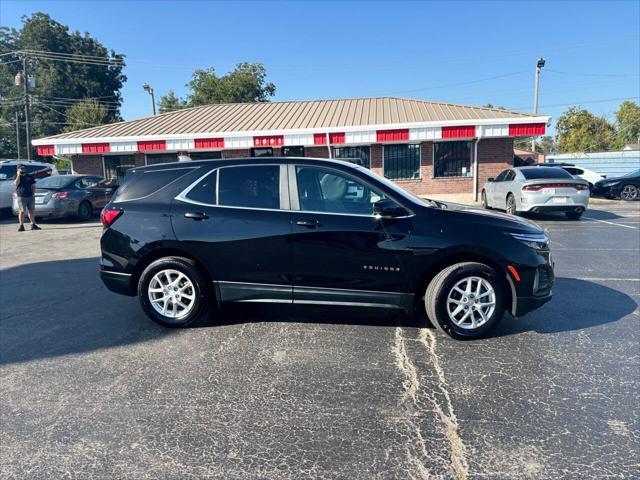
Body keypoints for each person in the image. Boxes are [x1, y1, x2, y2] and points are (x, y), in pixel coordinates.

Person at [13, 164, 41, 231]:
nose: (23, 169)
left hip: (30, 196)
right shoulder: (16, 176)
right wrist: (18, 175)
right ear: (18, 169)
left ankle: (33, 224)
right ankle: (21, 226)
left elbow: (33, 185)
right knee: (22, 211)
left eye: (24, 168)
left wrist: (33, 193)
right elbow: (15, 183)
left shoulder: (29, 176)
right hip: (22, 196)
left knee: (31, 211)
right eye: (21, 168)